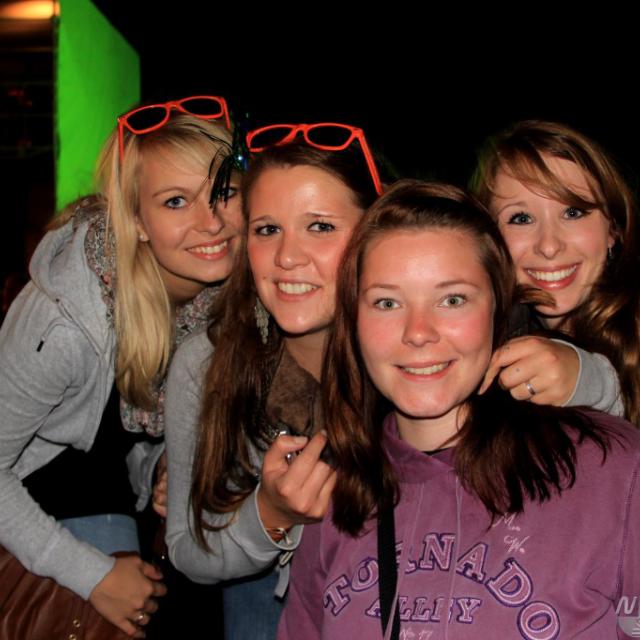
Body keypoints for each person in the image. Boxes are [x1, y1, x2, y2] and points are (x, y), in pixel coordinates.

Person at [279, 180, 640, 639]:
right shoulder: (334, 495)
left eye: (452, 300)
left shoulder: (613, 471)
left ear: (499, 309)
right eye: (387, 302)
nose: (418, 332)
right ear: (354, 322)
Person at [0, 96, 242, 637]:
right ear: (136, 220)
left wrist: (158, 468)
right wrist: (94, 575)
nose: (212, 222)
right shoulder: (64, 319)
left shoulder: (224, 304)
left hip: (117, 509)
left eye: (225, 191)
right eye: (176, 201)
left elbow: (127, 431)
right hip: (33, 515)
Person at [164, 125, 380, 639]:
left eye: (320, 226)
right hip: (270, 603)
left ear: (376, 232)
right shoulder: (207, 364)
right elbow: (187, 550)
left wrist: (572, 375)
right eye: (266, 229)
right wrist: (269, 513)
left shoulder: (421, 352)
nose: (286, 257)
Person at [472, 120, 636, 421]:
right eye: (521, 218)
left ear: (612, 229)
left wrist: (594, 384)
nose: (549, 246)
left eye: (573, 212)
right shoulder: (477, 333)